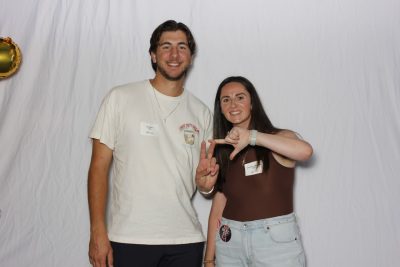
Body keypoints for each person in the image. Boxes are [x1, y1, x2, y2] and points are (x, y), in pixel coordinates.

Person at [87, 20, 218, 267]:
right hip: (129, 238)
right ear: (153, 55)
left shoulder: (201, 112)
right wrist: (97, 231)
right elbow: (98, 167)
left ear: (190, 57)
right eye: (166, 46)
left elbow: (204, 183)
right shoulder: (120, 98)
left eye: (182, 47)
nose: (174, 54)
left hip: (186, 240)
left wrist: (206, 185)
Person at [198, 76, 313, 267]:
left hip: (273, 244)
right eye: (226, 100)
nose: (233, 104)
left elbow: (305, 151)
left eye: (240, 97)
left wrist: (252, 137)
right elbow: (219, 206)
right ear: (221, 108)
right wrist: (209, 258)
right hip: (229, 242)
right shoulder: (222, 150)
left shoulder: (278, 138)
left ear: (252, 103)